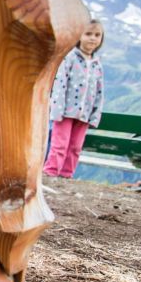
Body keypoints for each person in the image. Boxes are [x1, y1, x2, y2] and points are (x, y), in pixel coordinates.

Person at [43, 19, 105, 178]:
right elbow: (60, 84)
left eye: (97, 35)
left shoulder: (97, 64)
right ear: (78, 36)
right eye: (88, 34)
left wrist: (95, 115)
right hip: (65, 112)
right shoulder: (69, 58)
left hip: (84, 114)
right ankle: (50, 172)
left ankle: (66, 175)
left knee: (76, 147)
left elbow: (99, 92)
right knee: (59, 145)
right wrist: (56, 110)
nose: (92, 38)